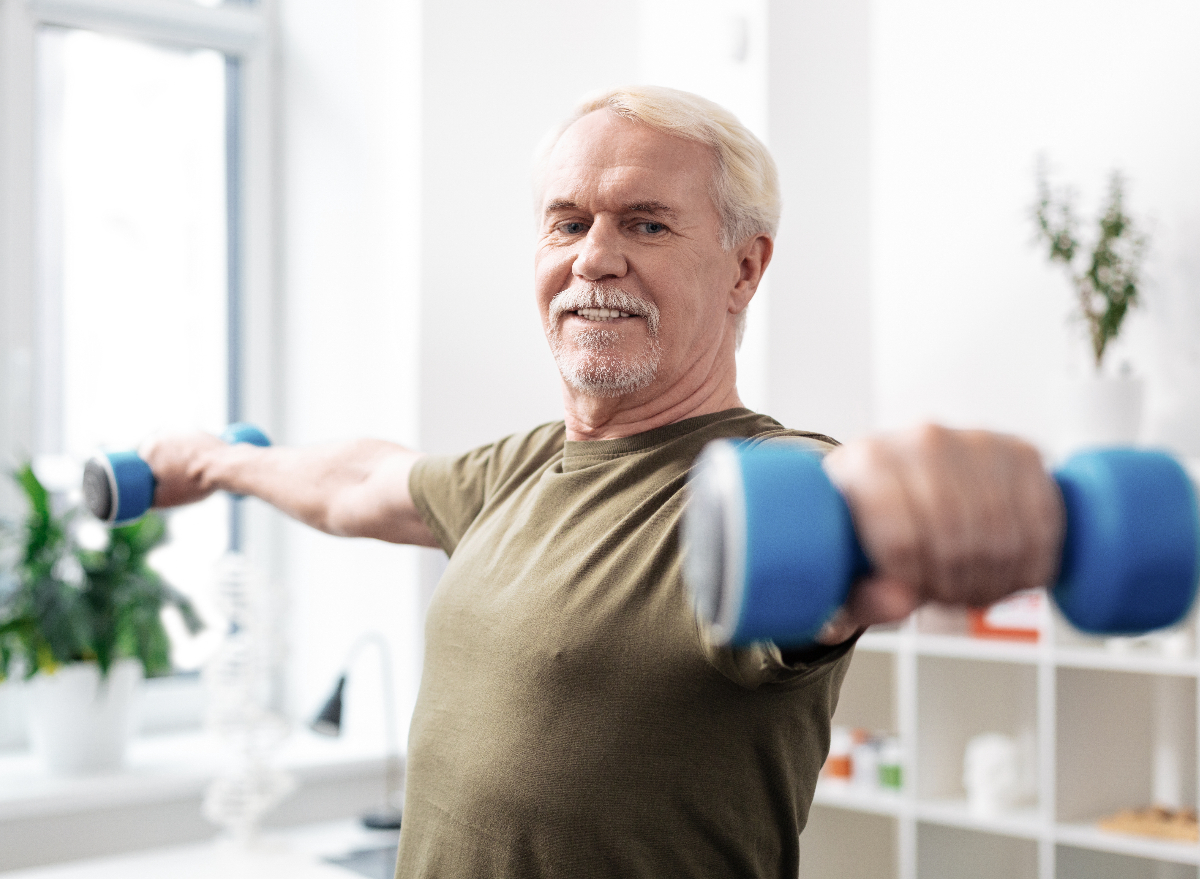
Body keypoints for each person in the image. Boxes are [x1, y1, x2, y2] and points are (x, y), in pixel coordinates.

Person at [143, 86, 1064, 877]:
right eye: (569, 222)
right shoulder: (517, 467)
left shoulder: (758, 486)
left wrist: (918, 497)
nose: (593, 257)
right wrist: (221, 462)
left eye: (646, 222)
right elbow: (361, 483)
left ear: (745, 268)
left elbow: (853, 513)